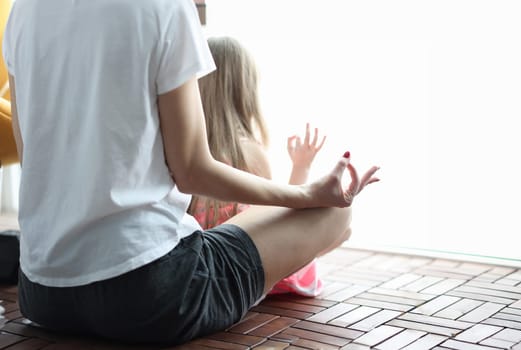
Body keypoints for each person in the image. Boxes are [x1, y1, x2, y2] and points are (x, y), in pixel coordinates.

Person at [3, 0, 380, 345]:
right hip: (148, 294)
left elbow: (29, 149)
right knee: (335, 213)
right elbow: (193, 170)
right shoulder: (163, 6)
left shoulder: (24, 9)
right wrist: (308, 194)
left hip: (42, 292)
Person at [189, 36, 326, 297]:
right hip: (245, 266)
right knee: (339, 228)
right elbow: (277, 213)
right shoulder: (250, 152)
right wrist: (301, 168)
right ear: (245, 90)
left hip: (201, 263)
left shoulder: (185, 151)